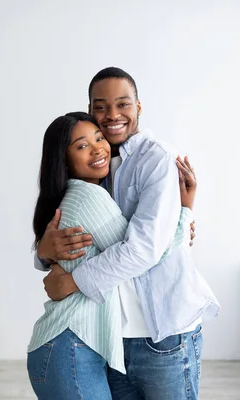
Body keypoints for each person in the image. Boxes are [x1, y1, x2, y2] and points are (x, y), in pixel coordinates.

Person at [37, 67, 220, 399]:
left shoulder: (156, 159)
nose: (112, 115)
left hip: (162, 334)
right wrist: (44, 253)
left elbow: (144, 248)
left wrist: (72, 281)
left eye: (122, 104)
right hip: (113, 338)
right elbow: (65, 226)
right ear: (91, 110)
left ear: (139, 106)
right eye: (101, 106)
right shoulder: (94, 165)